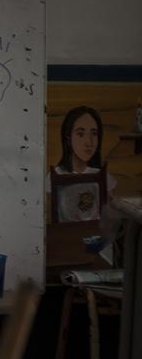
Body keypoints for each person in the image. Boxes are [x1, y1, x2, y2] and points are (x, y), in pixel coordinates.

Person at [47, 105, 118, 263]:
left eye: (94, 133)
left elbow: (112, 225)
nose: (89, 142)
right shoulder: (55, 176)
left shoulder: (105, 177)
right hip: (65, 251)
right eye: (80, 134)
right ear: (67, 137)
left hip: (99, 253)